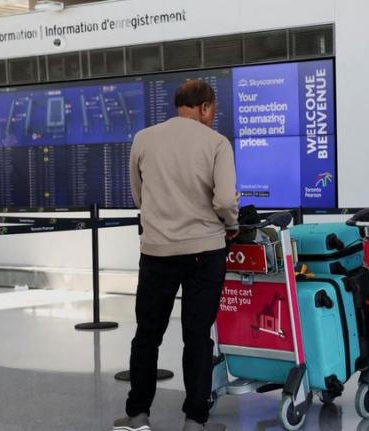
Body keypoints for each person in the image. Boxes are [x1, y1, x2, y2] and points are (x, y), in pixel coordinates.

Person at [114, 80, 238, 431]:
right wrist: (231, 224)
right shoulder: (217, 143)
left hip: (157, 251)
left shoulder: (143, 139)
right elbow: (225, 200)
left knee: (147, 334)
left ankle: (138, 415)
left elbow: (139, 194)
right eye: (213, 110)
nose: (213, 116)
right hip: (205, 251)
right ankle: (195, 420)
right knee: (197, 337)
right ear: (204, 107)